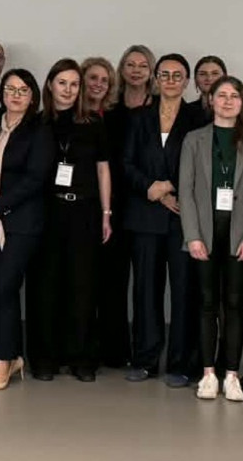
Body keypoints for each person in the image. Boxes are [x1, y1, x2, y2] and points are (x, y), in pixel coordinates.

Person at [178, 76, 243, 401]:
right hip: (205, 234)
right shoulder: (194, 140)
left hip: (240, 236)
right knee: (207, 303)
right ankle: (208, 374)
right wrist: (192, 236)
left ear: (242, 103)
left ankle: (231, 375)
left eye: (235, 96)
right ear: (211, 100)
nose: (228, 101)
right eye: (222, 95)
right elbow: (186, 191)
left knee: (234, 304)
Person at [122, 53, 206, 385]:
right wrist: (151, 189)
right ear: (156, 79)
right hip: (144, 216)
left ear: (187, 81)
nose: (170, 80)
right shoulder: (138, 117)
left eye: (177, 75)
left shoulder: (198, 118)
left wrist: (171, 187)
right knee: (145, 291)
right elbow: (126, 162)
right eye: (165, 74)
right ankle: (144, 359)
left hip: (183, 217)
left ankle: (181, 364)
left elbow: (203, 165)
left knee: (185, 291)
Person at [26, 60, 112, 382]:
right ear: (50, 85)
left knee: (82, 285)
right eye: (62, 83)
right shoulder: (36, 123)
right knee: (45, 286)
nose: (68, 90)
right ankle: (45, 358)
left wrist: (106, 213)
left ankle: (81, 358)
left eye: (74, 84)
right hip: (46, 212)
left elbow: (103, 169)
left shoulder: (93, 123)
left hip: (84, 212)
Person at [0, 68, 53, 389]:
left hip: (22, 222)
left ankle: (4, 360)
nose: (16, 95)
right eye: (10, 89)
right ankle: (11, 356)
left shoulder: (39, 130)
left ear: (33, 96)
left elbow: (35, 179)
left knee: (4, 288)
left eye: (23, 90)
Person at [82, 56, 132, 369]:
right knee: (83, 281)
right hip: (80, 208)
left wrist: (110, 209)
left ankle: (114, 350)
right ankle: (83, 346)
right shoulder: (70, 116)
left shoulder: (119, 118)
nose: (98, 84)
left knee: (113, 282)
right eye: (93, 78)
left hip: (116, 210)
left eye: (105, 80)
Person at [116, 45, 156, 109]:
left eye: (143, 66)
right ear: (121, 69)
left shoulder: (161, 105)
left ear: (151, 71)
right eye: (130, 65)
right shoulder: (109, 104)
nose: (136, 70)